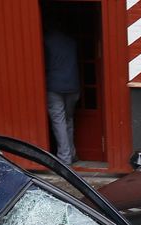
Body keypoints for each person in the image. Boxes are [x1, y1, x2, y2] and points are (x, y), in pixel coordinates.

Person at [44, 25, 81, 165]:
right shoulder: (71, 41)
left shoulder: (46, 41)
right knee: (68, 119)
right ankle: (72, 153)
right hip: (73, 85)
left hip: (54, 86)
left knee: (58, 121)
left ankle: (65, 158)